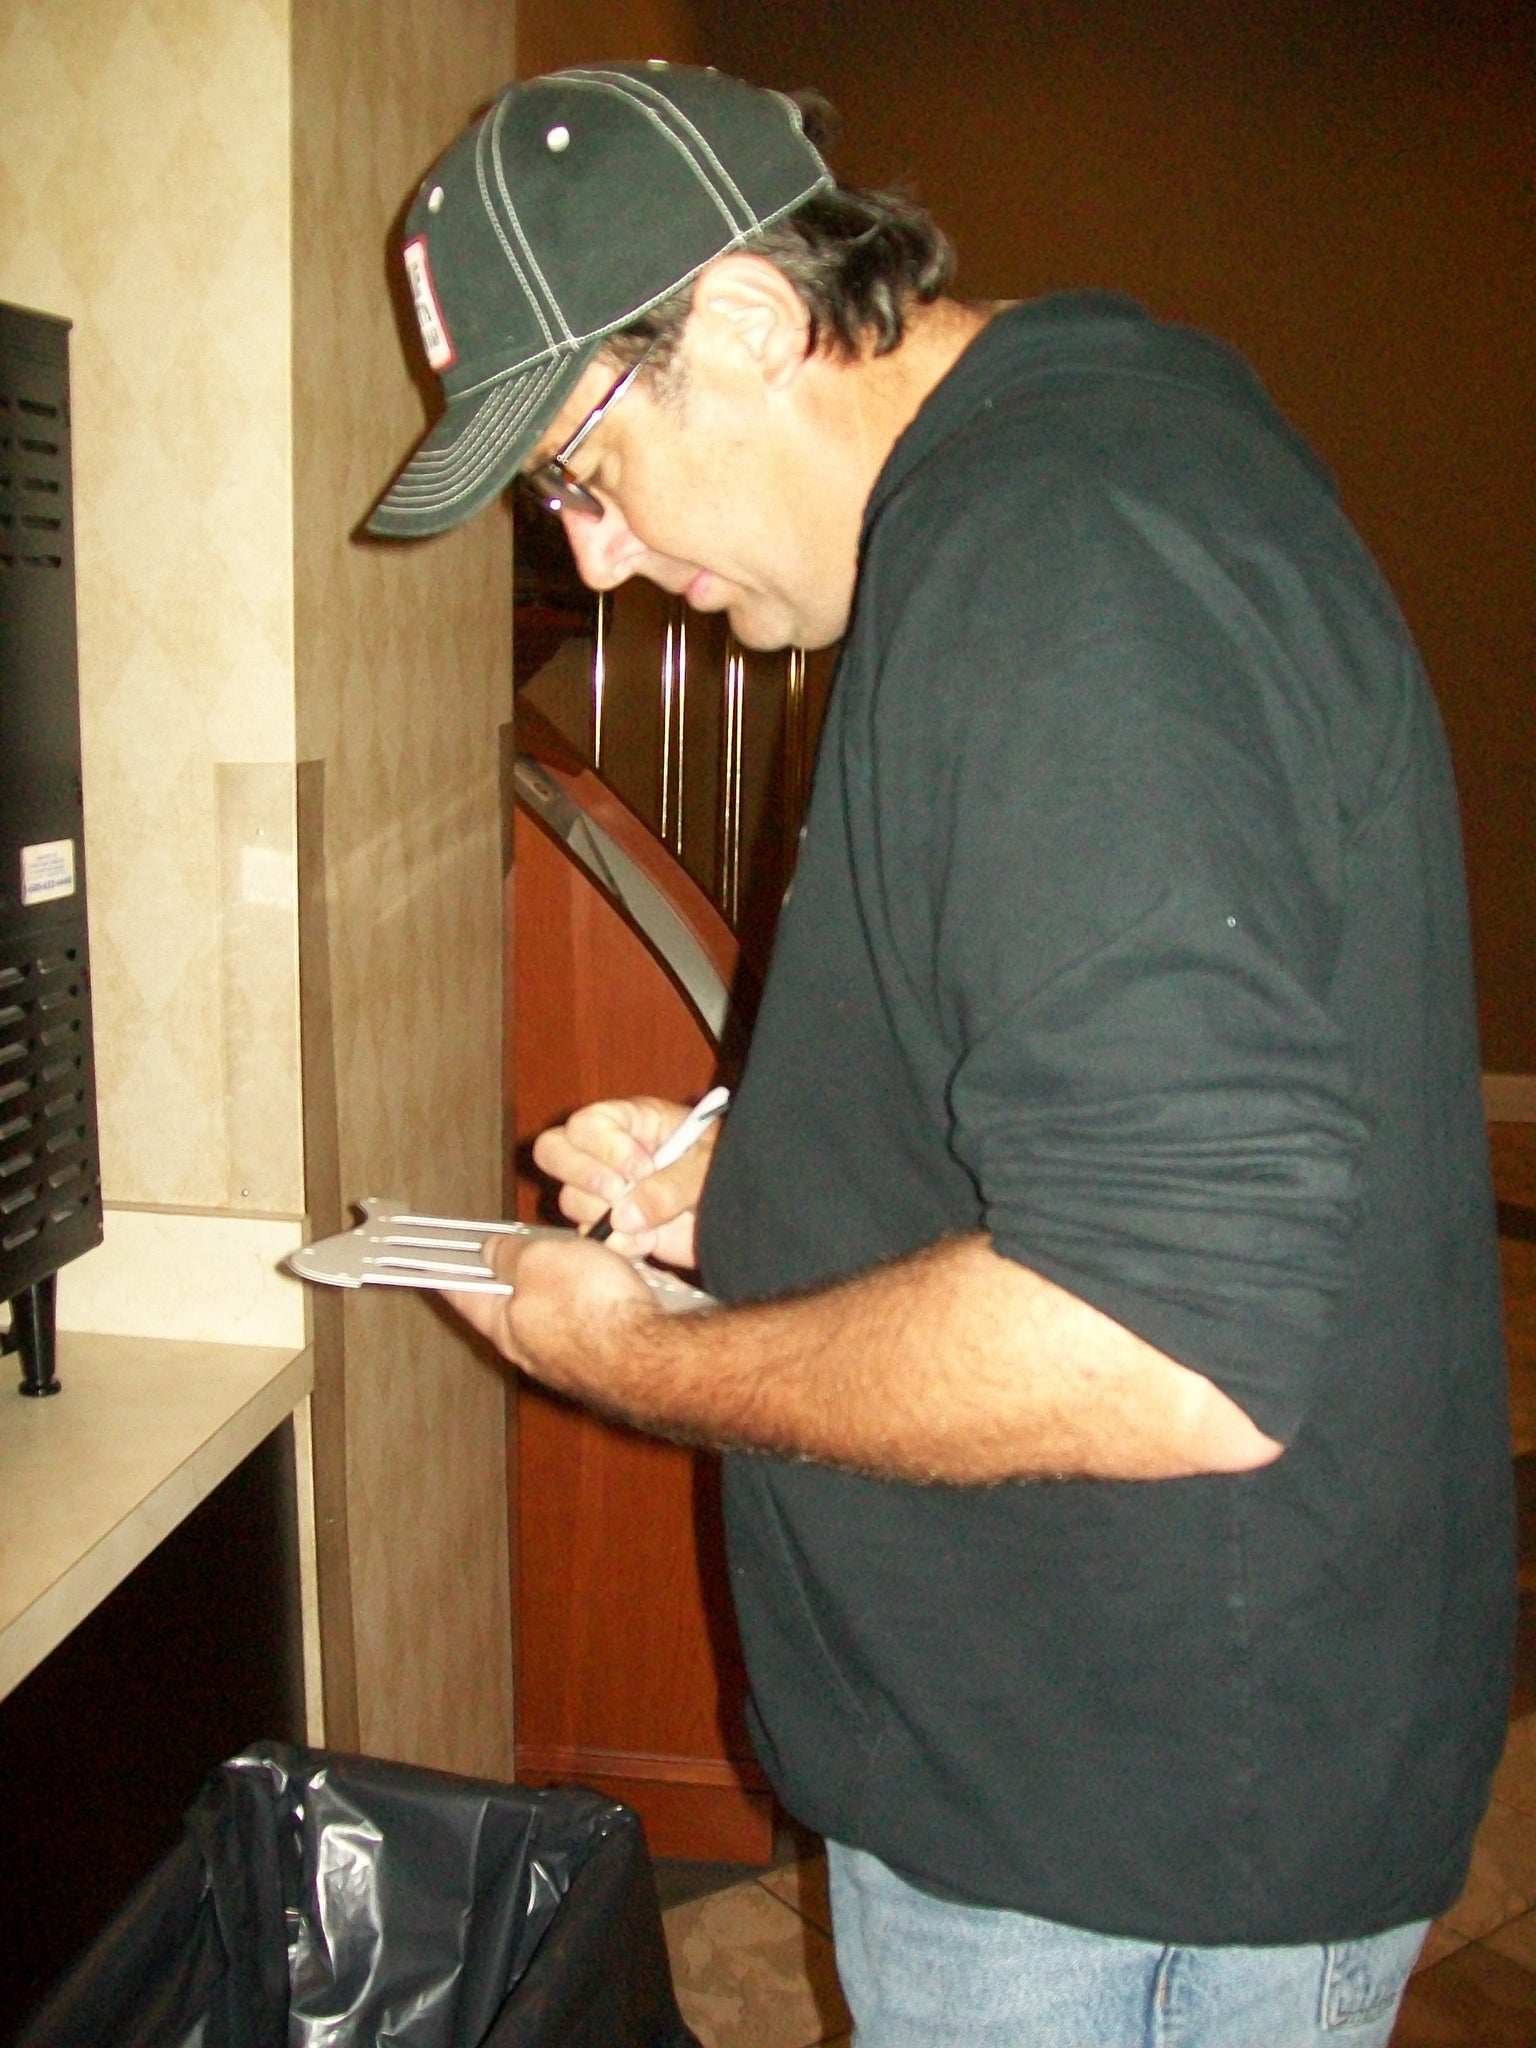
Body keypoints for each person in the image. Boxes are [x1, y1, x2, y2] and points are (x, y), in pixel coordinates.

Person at [369, 62, 1515, 2048]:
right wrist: (771, 1174)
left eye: (579, 471)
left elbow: (1163, 1336)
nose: (602, 560)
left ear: (746, 318)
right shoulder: (1037, 507)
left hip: (1133, 1849)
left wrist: (634, 1360)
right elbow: (1078, 1086)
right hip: (1079, 1778)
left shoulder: (1067, 566)